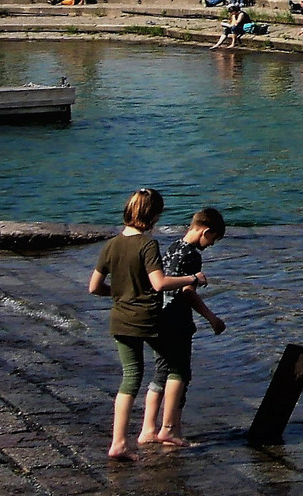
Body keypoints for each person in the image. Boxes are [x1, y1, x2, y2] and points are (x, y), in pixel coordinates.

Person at [87, 188, 205, 462]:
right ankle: (167, 430)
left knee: (130, 378)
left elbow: (94, 287)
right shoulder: (147, 245)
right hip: (147, 320)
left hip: (119, 319)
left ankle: (119, 442)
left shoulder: (111, 244)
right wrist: (193, 279)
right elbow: (159, 283)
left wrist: (120, 293)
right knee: (176, 366)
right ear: (153, 216)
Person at [143, 208, 228, 449]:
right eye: (213, 239)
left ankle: (148, 428)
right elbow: (187, 292)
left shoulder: (171, 247)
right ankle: (170, 429)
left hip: (159, 317)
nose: (211, 244)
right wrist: (212, 318)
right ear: (205, 231)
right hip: (177, 320)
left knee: (160, 372)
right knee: (179, 373)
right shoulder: (192, 255)